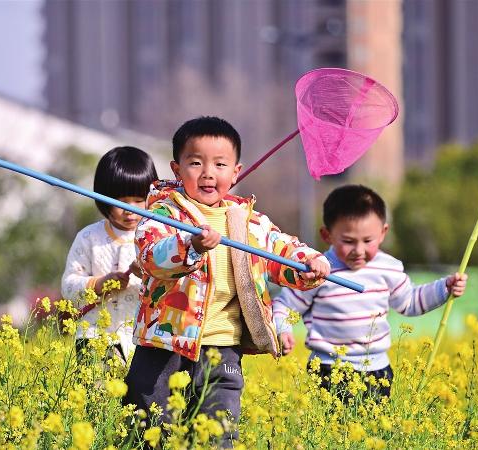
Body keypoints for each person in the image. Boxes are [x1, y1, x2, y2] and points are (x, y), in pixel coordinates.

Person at [123, 116, 331, 446]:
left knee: (218, 433)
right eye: (196, 163)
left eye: (220, 164)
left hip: (223, 350)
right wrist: (190, 247)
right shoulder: (163, 213)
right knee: (149, 431)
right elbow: (152, 257)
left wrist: (310, 263)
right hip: (165, 346)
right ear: (177, 170)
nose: (208, 173)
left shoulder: (248, 222)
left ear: (235, 173)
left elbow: (281, 249)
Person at [273, 184, 467, 398]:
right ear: (326, 235)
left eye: (368, 241)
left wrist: (444, 288)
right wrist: (283, 329)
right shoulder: (318, 270)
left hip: (377, 369)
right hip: (327, 368)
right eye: (348, 241)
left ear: (383, 233)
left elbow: (410, 302)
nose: (358, 250)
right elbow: (285, 304)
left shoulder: (388, 267)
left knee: (372, 428)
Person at [61, 146, 158, 363]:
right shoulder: (88, 237)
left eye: (138, 200)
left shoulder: (158, 238)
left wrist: (147, 272)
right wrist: (98, 284)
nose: (130, 209)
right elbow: (68, 287)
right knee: (98, 394)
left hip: (144, 342)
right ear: (103, 199)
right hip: (94, 337)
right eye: (120, 202)